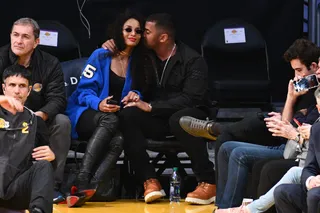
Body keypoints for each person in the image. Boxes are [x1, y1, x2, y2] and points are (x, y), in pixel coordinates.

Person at [102, 13, 216, 204]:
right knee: (127, 115)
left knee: (180, 119)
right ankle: (150, 180)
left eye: (146, 32)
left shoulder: (192, 60)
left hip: (190, 113)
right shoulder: (144, 56)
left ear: (162, 37)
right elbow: (124, 43)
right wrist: (111, 43)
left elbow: (190, 99)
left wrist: (151, 106)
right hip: (157, 118)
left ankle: (208, 181)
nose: (141, 35)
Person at [179, 38, 320, 185]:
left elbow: (292, 131)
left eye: (299, 70)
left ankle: (216, 128)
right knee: (242, 129)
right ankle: (218, 131)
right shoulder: (303, 88)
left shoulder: (317, 95)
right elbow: (286, 122)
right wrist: (291, 97)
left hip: (291, 142)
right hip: (281, 131)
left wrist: (287, 122)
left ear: (314, 66)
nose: (296, 76)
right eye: (294, 71)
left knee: (240, 130)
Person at [65, 11, 147, 207]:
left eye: (138, 30)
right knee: (109, 121)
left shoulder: (141, 60)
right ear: (120, 31)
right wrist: (99, 104)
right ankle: (82, 179)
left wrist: (136, 94)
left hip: (114, 118)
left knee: (119, 138)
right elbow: (83, 92)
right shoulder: (100, 55)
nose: (132, 34)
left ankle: (89, 187)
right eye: (128, 29)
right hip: (86, 112)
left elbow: (143, 89)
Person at [214, 85, 320, 213]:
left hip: (297, 150)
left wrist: (297, 136)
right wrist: (290, 97)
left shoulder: (314, 116)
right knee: (226, 147)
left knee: (246, 157)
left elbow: (306, 145)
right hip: (290, 146)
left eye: (299, 70)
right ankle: (224, 207)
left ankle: (244, 210)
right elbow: (287, 125)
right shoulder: (307, 94)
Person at [0, 17, 71, 200]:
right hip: (3, 118)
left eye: (25, 36)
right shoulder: (0, 58)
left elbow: (57, 99)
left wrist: (36, 118)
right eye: (15, 35)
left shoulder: (50, 63)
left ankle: (52, 185)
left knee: (62, 122)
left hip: (38, 119)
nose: (18, 41)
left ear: (36, 42)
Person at [0, 64, 55, 213]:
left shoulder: (36, 122)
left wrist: (51, 158)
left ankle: (38, 211)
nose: (17, 91)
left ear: (29, 90)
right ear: (4, 88)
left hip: (16, 189)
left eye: (22, 86)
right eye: (12, 85)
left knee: (43, 166)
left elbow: (42, 169)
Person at [273, 96, 320, 213]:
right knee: (282, 192)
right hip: (316, 185)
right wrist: (310, 180)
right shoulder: (316, 130)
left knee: (314, 195)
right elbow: (309, 167)